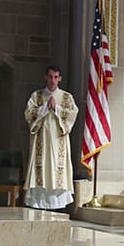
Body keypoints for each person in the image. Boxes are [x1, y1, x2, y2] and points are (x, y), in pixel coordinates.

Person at [23, 66, 79, 209]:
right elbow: (28, 114)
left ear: (59, 78)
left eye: (55, 77)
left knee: (56, 169)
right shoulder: (37, 96)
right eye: (50, 77)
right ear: (45, 77)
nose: (52, 80)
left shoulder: (67, 97)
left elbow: (72, 114)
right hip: (40, 142)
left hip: (58, 141)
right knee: (40, 170)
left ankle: (57, 205)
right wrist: (45, 108)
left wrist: (57, 109)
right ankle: (38, 204)